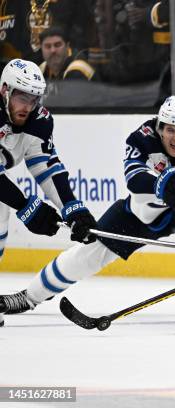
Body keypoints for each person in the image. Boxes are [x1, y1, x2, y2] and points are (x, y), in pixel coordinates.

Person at [0, 95, 175, 326]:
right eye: (170, 130)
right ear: (160, 127)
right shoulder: (141, 138)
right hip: (141, 213)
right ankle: (29, 297)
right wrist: (166, 183)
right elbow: (134, 178)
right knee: (89, 252)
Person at [0, 59, 97, 325]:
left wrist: (72, 207)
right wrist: (25, 206)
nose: (27, 106)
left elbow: (46, 169)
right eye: (21, 97)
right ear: (4, 90)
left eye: (34, 99)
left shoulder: (39, 120)